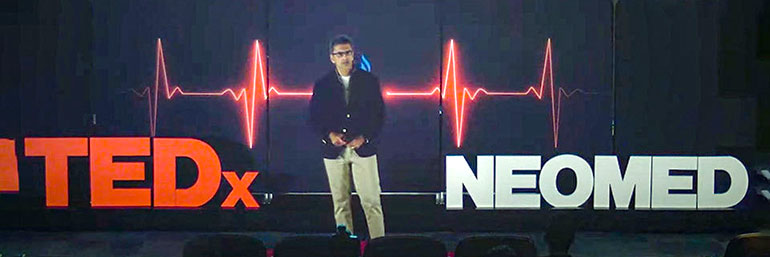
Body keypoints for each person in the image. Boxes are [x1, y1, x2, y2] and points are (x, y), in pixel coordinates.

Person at [308, 34, 386, 239]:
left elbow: (379, 116)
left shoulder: (369, 81)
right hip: (334, 151)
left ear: (354, 55)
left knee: (372, 202)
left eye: (348, 53)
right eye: (340, 54)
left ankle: (380, 246)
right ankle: (344, 246)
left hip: (363, 149)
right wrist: (329, 135)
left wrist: (364, 138)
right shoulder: (322, 84)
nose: (345, 58)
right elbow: (314, 117)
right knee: (340, 203)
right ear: (332, 57)